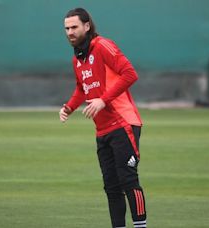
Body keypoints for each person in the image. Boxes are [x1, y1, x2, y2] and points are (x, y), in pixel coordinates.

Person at [60, 8, 147, 228]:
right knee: (111, 186)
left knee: (128, 180)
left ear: (87, 26)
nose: (70, 32)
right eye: (67, 28)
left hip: (123, 122)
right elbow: (82, 87)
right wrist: (69, 107)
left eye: (74, 27)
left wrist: (103, 100)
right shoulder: (78, 58)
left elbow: (130, 74)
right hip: (103, 129)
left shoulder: (103, 46)